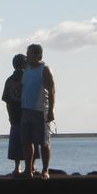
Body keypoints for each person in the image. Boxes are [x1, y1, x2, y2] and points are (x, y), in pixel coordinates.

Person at [20, 44, 56, 180]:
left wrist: (51, 110)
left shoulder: (44, 70)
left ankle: (45, 170)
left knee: (43, 142)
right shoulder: (26, 69)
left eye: (29, 54)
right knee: (26, 141)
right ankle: (28, 169)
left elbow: (52, 90)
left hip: (41, 111)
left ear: (37, 55)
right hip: (26, 110)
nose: (27, 56)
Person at [1, 54, 40, 176]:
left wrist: (9, 115)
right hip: (28, 112)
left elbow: (7, 100)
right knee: (32, 140)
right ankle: (32, 166)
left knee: (16, 140)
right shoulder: (29, 77)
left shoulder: (9, 80)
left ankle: (17, 167)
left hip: (15, 114)